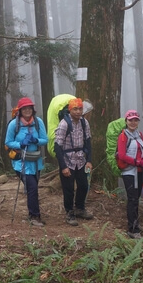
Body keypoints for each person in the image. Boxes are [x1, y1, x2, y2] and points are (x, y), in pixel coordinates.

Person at [5, 97, 48, 226]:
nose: (27, 110)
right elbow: (7, 142)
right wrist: (20, 144)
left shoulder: (38, 122)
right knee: (32, 188)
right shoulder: (14, 124)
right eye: (25, 108)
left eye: (30, 108)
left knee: (32, 188)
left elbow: (45, 140)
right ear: (20, 110)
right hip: (21, 162)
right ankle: (35, 216)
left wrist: (36, 141)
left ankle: (33, 214)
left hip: (36, 161)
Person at [54, 97, 93, 226]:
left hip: (81, 159)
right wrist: (63, 166)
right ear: (70, 110)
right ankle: (69, 212)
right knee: (68, 188)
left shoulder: (84, 123)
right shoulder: (64, 124)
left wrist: (89, 160)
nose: (78, 111)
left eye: (80, 109)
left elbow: (88, 141)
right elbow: (57, 146)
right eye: (75, 109)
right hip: (68, 160)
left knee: (83, 185)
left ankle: (80, 208)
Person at [115, 110, 143, 239]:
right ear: (126, 121)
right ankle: (132, 229)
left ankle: (136, 224)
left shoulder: (139, 134)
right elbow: (122, 155)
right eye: (131, 120)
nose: (133, 122)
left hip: (140, 171)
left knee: (136, 198)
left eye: (135, 120)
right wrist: (136, 162)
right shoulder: (123, 136)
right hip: (129, 172)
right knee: (132, 199)